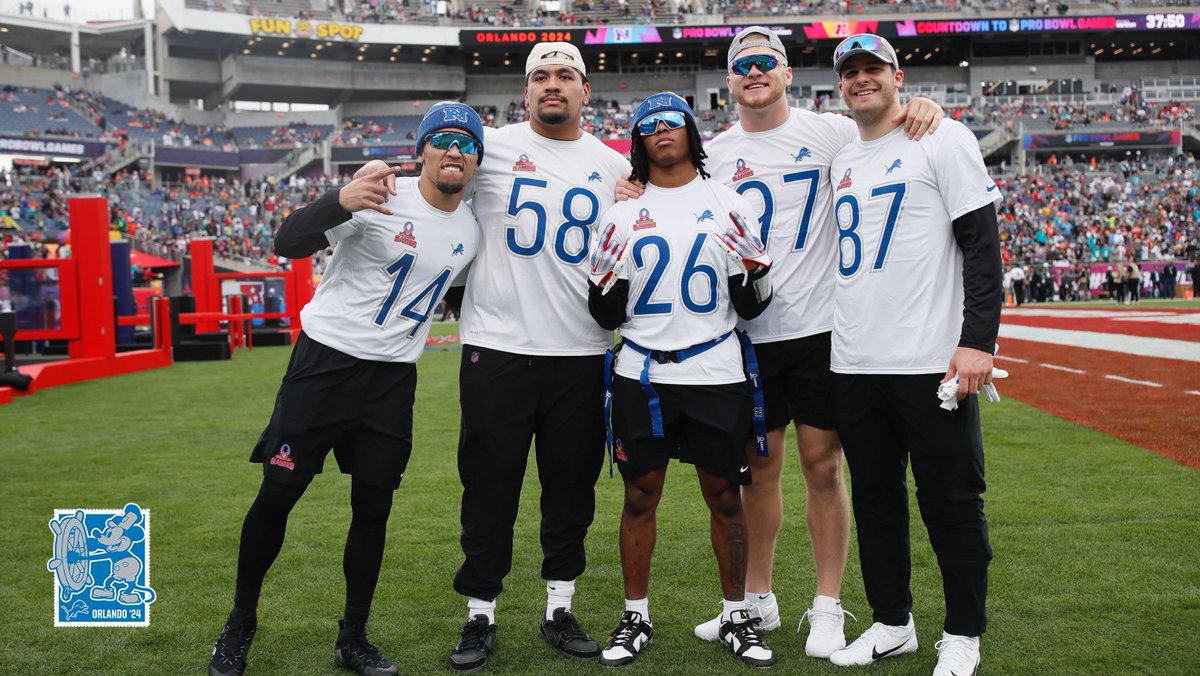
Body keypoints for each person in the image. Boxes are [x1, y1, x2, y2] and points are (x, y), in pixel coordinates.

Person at [206, 102, 485, 676]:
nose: (454, 150)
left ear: (478, 159)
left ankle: (353, 637)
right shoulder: (379, 196)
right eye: (443, 139)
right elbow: (287, 241)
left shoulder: (473, 230)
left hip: (392, 380)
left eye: (467, 143)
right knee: (279, 494)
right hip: (325, 365)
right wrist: (339, 198)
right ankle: (239, 624)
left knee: (373, 509)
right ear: (421, 151)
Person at [691, 26, 944, 657]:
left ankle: (827, 605)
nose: (754, 72)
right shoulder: (712, 155)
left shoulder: (830, 131)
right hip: (750, 332)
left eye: (766, 61)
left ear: (787, 72)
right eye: (742, 64)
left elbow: (889, 124)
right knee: (758, 472)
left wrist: (923, 107)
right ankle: (757, 599)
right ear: (729, 81)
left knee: (823, 465)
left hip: (822, 329)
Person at [450, 41, 631, 672]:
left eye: (565, 76)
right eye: (540, 77)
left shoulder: (614, 167)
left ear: (585, 91)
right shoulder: (489, 147)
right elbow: (435, 186)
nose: (552, 85)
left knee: (571, 489)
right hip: (497, 347)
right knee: (488, 487)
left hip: (579, 351)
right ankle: (480, 613)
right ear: (525, 92)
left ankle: (560, 607)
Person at [824, 34, 1002, 676]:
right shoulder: (842, 156)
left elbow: (982, 245)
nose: (862, 79)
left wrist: (978, 341)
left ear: (898, 76)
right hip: (855, 361)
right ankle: (892, 623)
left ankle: (963, 634)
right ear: (840, 85)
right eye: (851, 71)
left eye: (873, 68)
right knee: (875, 501)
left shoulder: (943, 138)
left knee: (951, 502)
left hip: (929, 360)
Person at [587, 92, 775, 668]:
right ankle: (635, 615)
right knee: (639, 495)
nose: (661, 130)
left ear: (693, 133)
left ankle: (737, 613)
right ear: (638, 141)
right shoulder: (620, 214)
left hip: (714, 369)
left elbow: (752, 305)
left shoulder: (728, 202)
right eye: (649, 125)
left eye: (673, 121)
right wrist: (602, 284)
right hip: (642, 371)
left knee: (725, 496)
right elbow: (605, 316)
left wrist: (756, 273)